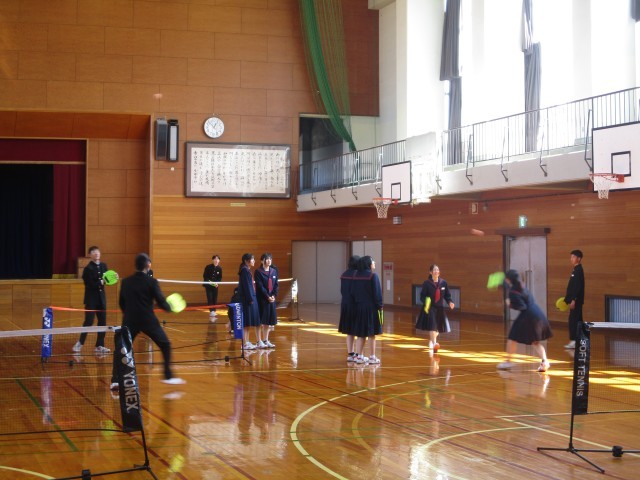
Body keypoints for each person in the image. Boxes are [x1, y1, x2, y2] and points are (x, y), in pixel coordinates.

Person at [110, 253, 185, 390]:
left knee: (122, 349)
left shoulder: (126, 282)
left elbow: (121, 302)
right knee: (165, 345)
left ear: (136, 266)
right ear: (148, 265)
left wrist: (129, 315)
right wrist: (169, 308)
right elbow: (161, 301)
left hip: (130, 320)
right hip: (148, 320)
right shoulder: (152, 282)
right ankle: (168, 376)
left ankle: (115, 380)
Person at [497, 269, 553, 372]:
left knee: (512, 338)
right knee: (535, 342)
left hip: (528, 316)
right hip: (537, 313)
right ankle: (545, 361)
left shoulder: (513, 291)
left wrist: (509, 303)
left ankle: (508, 361)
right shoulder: (522, 286)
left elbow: (521, 306)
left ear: (508, 279)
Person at [73, 246, 113, 354]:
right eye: (93, 252)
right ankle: (80, 343)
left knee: (102, 322)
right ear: (90, 255)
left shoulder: (104, 266)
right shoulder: (88, 269)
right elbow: (89, 284)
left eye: (97, 252)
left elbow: (108, 280)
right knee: (88, 321)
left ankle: (99, 345)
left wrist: (114, 278)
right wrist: (100, 282)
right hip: (91, 300)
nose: (96, 253)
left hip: (101, 299)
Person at [415, 264, 455, 353]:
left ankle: (431, 340)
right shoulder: (427, 283)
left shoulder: (443, 283)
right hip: (430, 308)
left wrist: (450, 302)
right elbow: (422, 296)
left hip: (440, 308)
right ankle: (435, 344)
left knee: (438, 328)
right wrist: (426, 302)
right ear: (431, 272)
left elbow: (447, 295)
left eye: (437, 270)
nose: (436, 271)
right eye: (434, 270)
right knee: (432, 326)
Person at [351, 256, 383, 364]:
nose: (374, 263)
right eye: (373, 261)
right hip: (370, 308)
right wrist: (380, 306)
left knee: (360, 333)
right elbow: (377, 294)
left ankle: (359, 356)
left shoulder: (355, 276)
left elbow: (352, 292)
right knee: (371, 333)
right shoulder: (373, 276)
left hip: (359, 307)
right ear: (369, 264)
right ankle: (372, 357)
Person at [254, 252, 279, 349]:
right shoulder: (258, 272)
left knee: (267, 321)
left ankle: (266, 340)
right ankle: (259, 341)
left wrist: (273, 295)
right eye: (267, 259)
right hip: (262, 299)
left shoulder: (273, 271)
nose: (269, 261)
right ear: (262, 261)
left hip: (271, 300)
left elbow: (276, 285)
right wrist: (267, 296)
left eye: (270, 259)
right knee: (260, 320)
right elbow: (260, 286)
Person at [338, 255, 360, 362]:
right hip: (355, 304)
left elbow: (342, 290)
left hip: (345, 304)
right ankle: (359, 354)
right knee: (359, 330)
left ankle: (351, 353)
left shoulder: (344, 274)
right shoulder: (357, 275)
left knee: (349, 330)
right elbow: (356, 291)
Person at [237, 253, 260, 350]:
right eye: (252, 259)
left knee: (247, 323)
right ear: (246, 261)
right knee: (246, 322)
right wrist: (251, 299)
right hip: (247, 300)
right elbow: (247, 286)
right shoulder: (245, 271)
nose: (254, 261)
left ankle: (246, 342)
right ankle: (245, 343)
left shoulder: (246, 270)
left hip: (249, 299)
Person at [563, 249, 585, 349]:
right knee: (579, 320)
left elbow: (578, 287)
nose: (571, 259)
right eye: (571, 257)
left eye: (573, 257)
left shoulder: (578, 270)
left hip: (576, 301)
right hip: (574, 300)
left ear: (579, 259)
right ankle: (580, 340)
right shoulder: (575, 269)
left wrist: (573, 299)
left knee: (573, 320)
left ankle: (574, 341)